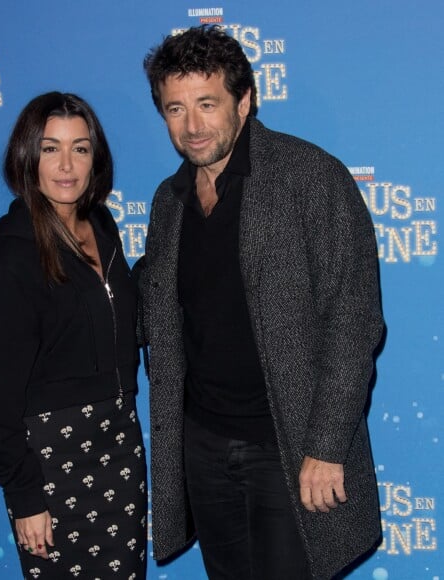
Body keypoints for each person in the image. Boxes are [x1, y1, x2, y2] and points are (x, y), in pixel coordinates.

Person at [138, 26, 384, 579]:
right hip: (203, 443)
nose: (192, 126)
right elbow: (166, 315)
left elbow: (352, 319)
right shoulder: (168, 202)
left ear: (244, 101)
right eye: (175, 109)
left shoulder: (309, 176)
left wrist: (325, 445)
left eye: (207, 104)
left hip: (288, 445)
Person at [0, 92, 147, 579]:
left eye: (81, 148)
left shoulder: (101, 225)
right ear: (27, 157)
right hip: (52, 463)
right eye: (51, 149)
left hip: (119, 445)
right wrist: (24, 494)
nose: (66, 165)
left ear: (96, 158)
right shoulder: (12, 256)